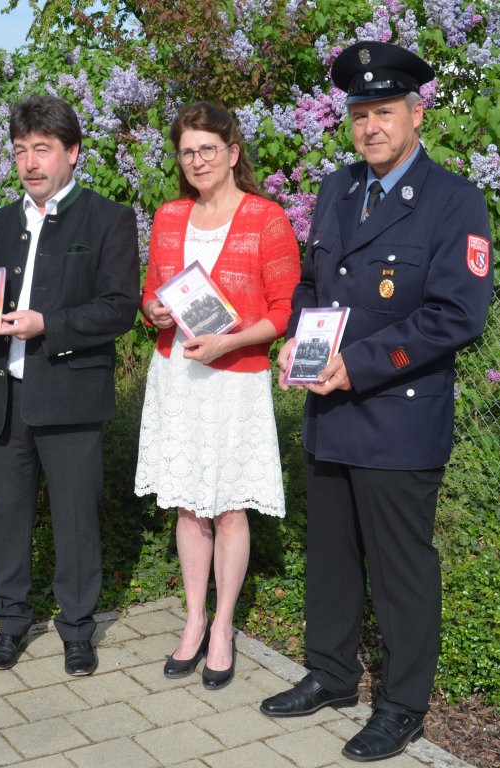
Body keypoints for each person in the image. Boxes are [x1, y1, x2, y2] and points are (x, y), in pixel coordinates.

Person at [259, 42, 494, 762]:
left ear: (414, 114)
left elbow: (456, 316)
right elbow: (309, 286)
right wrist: (297, 346)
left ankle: (401, 706)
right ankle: (330, 675)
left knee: (399, 570)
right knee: (329, 556)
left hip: (396, 413)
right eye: (359, 114)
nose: (370, 127)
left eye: (383, 112)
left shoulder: (455, 200)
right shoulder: (336, 190)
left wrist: (353, 367)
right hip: (329, 412)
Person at [0, 95, 140, 675]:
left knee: (74, 518)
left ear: (72, 153)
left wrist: (51, 325)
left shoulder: (107, 218)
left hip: (69, 391)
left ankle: (76, 630)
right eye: (20, 151)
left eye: (42, 149)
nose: (30, 163)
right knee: (7, 516)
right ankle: (10, 624)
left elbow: (119, 308)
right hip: (4, 392)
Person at [134, 102, 301, 690]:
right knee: (187, 505)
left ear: (232, 153)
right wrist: (151, 308)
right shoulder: (169, 215)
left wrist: (229, 344)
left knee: (229, 507)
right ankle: (193, 619)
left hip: (234, 378)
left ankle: (224, 628)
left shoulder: (266, 218)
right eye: (187, 151)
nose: (197, 160)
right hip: (178, 376)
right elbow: (155, 299)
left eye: (208, 149)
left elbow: (283, 313)